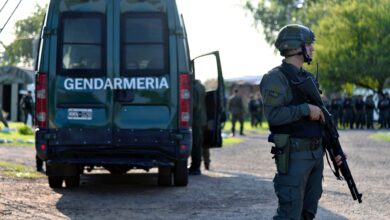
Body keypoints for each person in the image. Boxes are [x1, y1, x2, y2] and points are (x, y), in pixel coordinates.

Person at [260, 24, 342, 220]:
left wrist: (335, 149)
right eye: (308, 44)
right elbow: (274, 116)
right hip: (294, 155)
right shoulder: (275, 78)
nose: (312, 48)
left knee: (307, 213)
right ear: (296, 47)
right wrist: (305, 110)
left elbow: (322, 118)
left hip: (315, 153)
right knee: (290, 214)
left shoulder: (307, 78)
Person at [188, 79, 208, 175]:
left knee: (196, 145)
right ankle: (203, 163)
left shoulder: (193, 88)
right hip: (202, 119)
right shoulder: (201, 87)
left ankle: (195, 167)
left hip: (196, 119)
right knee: (199, 143)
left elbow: (193, 105)